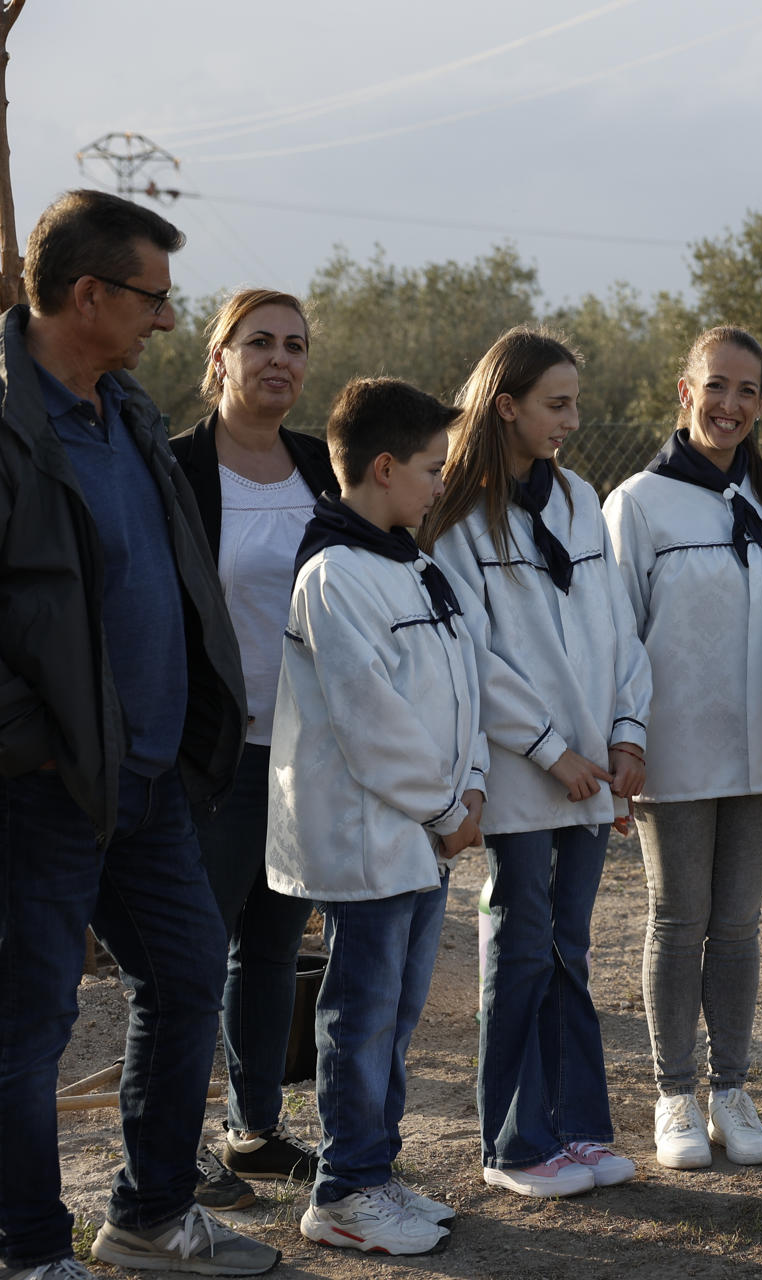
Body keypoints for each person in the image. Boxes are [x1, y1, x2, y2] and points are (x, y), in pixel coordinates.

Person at [0, 189, 279, 1278]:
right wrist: (43, 740)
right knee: (29, 1024)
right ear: (88, 293)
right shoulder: (10, 419)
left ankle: (151, 1215)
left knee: (188, 973)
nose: (169, 321)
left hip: (153, 778)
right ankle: (29, 1251)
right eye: (155, 299)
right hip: (44, 782)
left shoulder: (124, 411)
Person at [603, 325, 762, 1171]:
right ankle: (675, 1094)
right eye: (717, 386)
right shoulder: (638, 502)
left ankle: (733, 1091)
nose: (731, 405)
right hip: (674, 744)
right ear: (685, 391)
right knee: (679, 917)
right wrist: (622, 739)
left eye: (748, 390)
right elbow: (615, 634)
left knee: (738, 923)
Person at [422, 328, 653, 1198]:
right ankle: (517, 1145)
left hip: (596, 769)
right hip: (527, 775)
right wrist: (554, 752)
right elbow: (474, 655)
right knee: (522, 946)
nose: (573, 420)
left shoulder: (579, 498)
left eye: (577, 402)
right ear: (507, 405)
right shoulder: (455, 516)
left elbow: (617, 628)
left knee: (570, 946)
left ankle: (581, 1130)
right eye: (558, 404)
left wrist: (627, 733)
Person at [266, 378, 486, 1255]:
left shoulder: (414, 561)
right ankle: (343, 1193)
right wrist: (444, 803)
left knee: (395, 1017)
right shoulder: (333, 575)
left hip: (425, 839)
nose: (441, 485)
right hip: (370, 843)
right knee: (358, 1022)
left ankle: (375, 1168)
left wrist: (470, 787)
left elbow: (464, 684)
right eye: (433, 469)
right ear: (384, 466)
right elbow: (370, 720)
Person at [169, 289, 334, 1211]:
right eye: (260, 342)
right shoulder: (177, 469)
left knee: (271, 950)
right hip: (211, 758)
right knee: (188, 958)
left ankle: (254, 1130)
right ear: (220, 354)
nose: (280, 359)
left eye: (296, 346)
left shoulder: (323, 468)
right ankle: (172, 1149)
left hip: (304, 754)